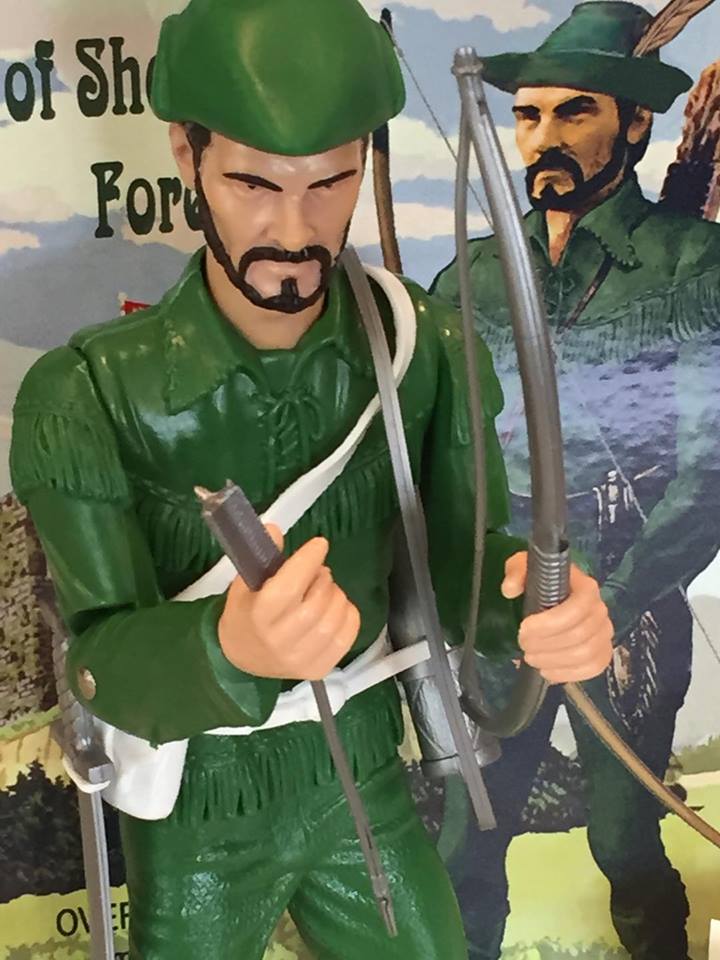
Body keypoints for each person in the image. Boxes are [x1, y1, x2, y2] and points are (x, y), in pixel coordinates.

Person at [10, 1, 613, 958]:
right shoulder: (88, 392)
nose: (293, 229)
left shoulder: (422, 348)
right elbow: (99, 660)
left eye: (330, 183)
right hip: (201, 798)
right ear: (187, 153)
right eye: (253, 182)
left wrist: (531, 604)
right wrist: (229, 645)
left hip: (362, 770)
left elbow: (455, 564)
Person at [432, 3, 720, 958]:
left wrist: (611, 600)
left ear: (634, 123)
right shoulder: (467, 280)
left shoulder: (694, 265)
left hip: (626, 586)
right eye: (528, 114)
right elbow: (444, 457)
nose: (543, 137)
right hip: (499, 596)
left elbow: (710, 473)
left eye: (574, 112)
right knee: (466, 839)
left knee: (623, 841)